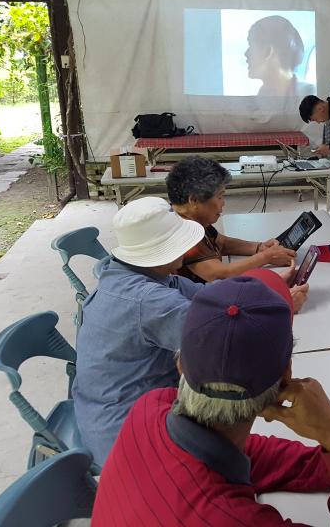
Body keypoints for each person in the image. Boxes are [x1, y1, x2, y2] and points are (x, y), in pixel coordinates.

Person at [92, 271, 330, 525]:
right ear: (286, 376)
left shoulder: (149, 408)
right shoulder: (233, 518)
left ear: (181, 365)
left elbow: (242, 452)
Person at [73, 196, 205, 466]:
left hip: (99, 406)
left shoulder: (127, 274)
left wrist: (267, 288)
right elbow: (219, 342)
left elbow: (208, 297)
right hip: (124, 435)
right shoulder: (151, 301)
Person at [166, 157, 302, 289]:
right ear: (194, 200)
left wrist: (259, 248)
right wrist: (266, 257)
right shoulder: (184, 231)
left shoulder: (190, 216)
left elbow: (221, 243)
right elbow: (220, 275)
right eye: (220, 196)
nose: (223, 202)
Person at [246, 15, 315, 98]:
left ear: (268, 51)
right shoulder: (262, 93)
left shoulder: (308, 93)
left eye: (251, 46)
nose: (246, 53)